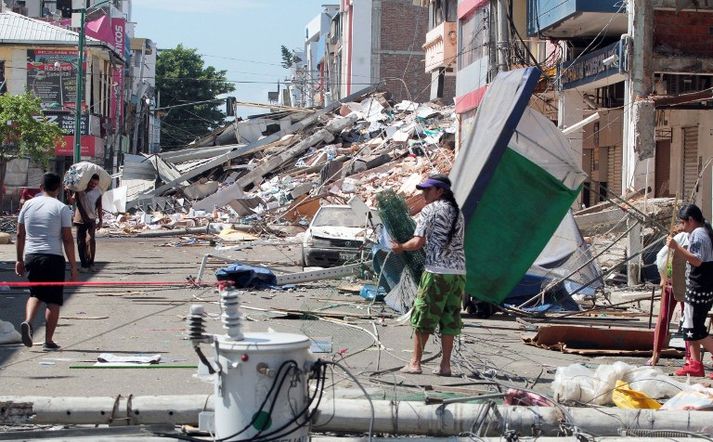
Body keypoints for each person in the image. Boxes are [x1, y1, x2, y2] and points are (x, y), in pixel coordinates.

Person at [391, 174, 466, 376]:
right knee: (450, 319)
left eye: (427, 190)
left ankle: (415, 363)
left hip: (436, 273)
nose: (424, 193)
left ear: (439, 191)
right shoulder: (458, 213)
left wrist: (400, 247)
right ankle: (445, 366)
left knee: (423, 317)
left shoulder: (430, 210)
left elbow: (417, 243)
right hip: (458, 274)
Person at [16, 172, 79, 350]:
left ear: (41, 187)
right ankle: (48, 341)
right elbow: (67, 239)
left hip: (32, 256)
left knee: (35, 293)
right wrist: (73, 266)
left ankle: (28, 321)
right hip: (53, 257)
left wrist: (19, 260)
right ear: (58, 188)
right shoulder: (62, 208)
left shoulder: (28, 205)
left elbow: (20, 234)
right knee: (53, 300)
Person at [667, 204, 713, 377]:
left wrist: (676, 247)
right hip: (699, 286)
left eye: (683, 222)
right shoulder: (701, 232)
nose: (682, 226)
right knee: (689, 326)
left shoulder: (699, 235)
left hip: (699, 287)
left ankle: (696, 363)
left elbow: (697, 260)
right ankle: (695, 364)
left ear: (691, 220)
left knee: (696, 330)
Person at [67, 174, 103, 272]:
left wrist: (100, 220)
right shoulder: (79, 191)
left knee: (91, 240)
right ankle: (84, 265)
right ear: (88, 182)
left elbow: (99, 207)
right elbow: (71, 202)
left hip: (91, 219)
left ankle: (91, 263)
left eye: (95, 183)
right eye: (91, 183)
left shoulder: (98, 193)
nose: (93, 185)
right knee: (80, 242)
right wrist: (68, 192)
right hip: (80, 220)